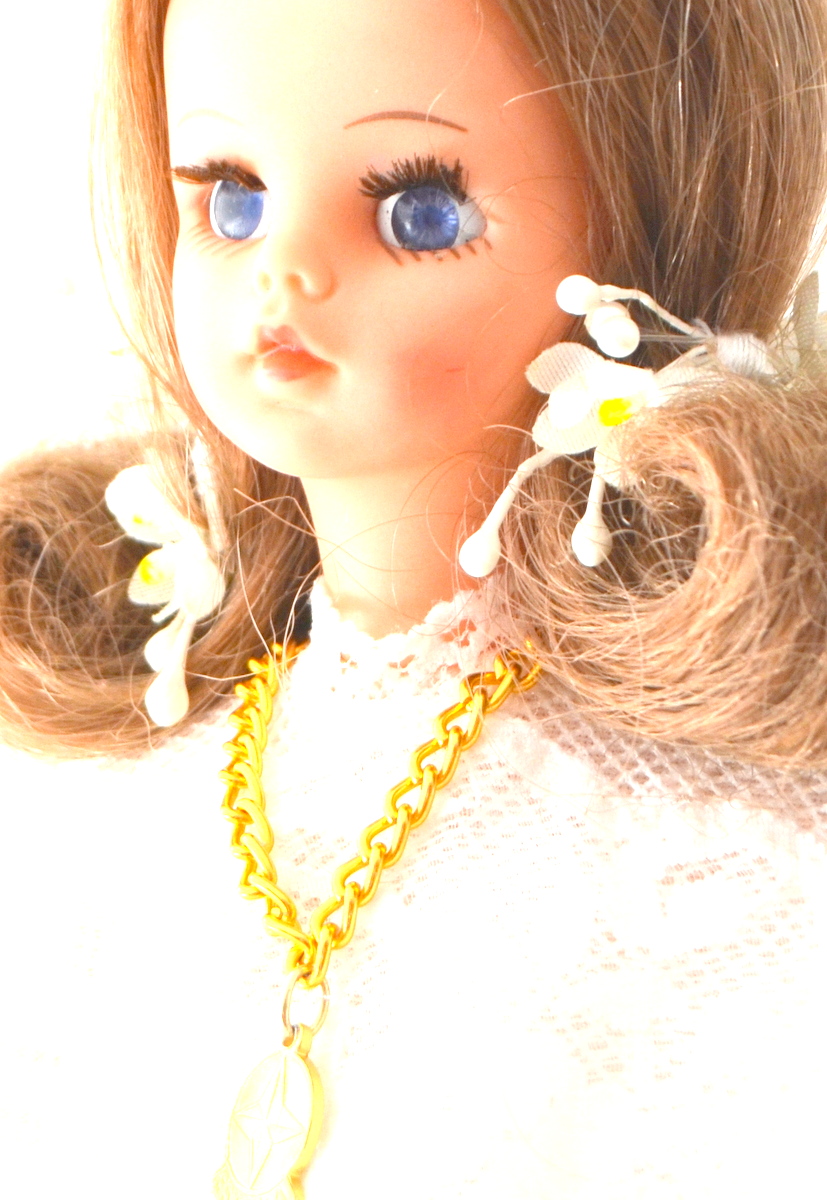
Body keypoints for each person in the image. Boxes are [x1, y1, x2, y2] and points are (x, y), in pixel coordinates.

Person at [1, 0, 826, 1196]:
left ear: (649, 235)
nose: (285, 272)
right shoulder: (106, 787)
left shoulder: (716, 857)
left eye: (419, 212)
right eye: (231, 198)